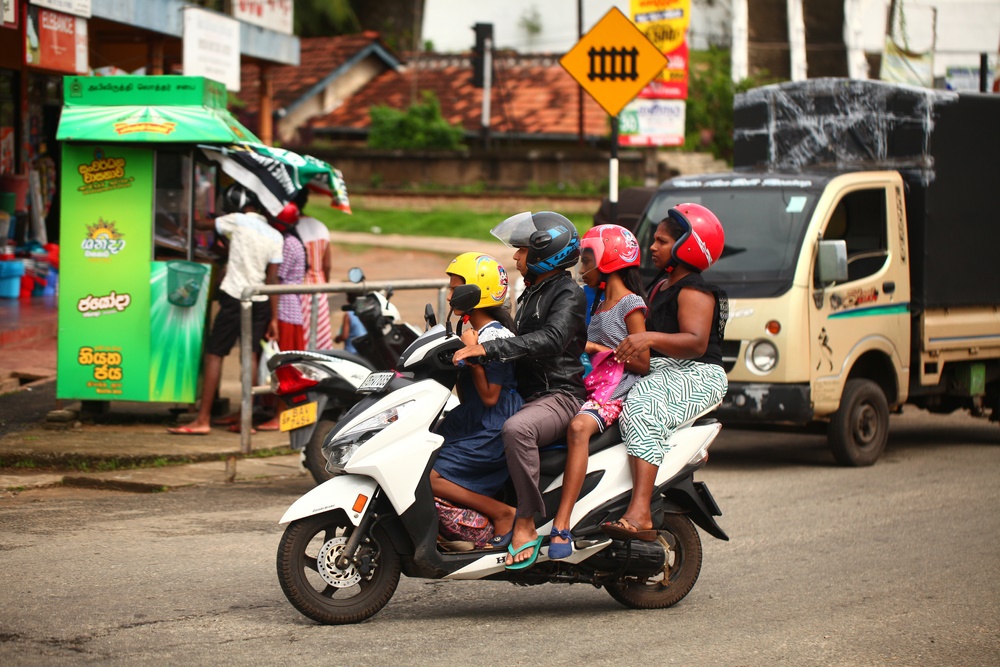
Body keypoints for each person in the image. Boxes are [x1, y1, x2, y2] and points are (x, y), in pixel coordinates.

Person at [453, 211, 587, 570]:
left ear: (547, 254)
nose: (515, 257)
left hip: (559, 394)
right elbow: (510, 334)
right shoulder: (531, 293)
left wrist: (487, 349)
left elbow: (553, 338)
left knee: (516, 429)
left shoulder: (568, 294)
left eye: (522, 251)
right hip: (529, 395)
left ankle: (524, 521)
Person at [602, 203, 729, 540]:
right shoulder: (662, 283)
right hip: (664, 369)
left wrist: (647, 337)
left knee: (643, 408)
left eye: (661, 241)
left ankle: (641, 511)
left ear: (688, 244)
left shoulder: (694, 289)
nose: (652, 247)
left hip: (696, 374)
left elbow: (696, 343)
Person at [548, 224, 649, 560]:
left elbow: (644, 360)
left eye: (588, 259)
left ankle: (561, 524)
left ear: (608, 258)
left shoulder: (629, 303)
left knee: (578, 427)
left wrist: (595, 347)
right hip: (593, 386)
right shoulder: (599, 302)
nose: (582, 267)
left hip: (617, 392)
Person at [167, 183, 283, 435]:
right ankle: (245, 420)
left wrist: (190, 210)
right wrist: (274, 317)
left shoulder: (237, 221)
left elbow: (202, 226)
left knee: (214, 355)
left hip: (235, 297)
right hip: (261, 300)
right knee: (249, 358)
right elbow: (273, 280)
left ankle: (203, 419)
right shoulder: (275, 235)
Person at [430, 252, 522, 548]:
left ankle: (502, 513)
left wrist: (474, 354)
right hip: (471, 416)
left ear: (474, 292)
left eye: (455, 287)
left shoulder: (497, 336)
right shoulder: (470, 332)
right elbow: (466, 391)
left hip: (492, 425)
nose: (449, 295)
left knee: (431, 476)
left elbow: (490, 395)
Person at [257, 205, 308, 432]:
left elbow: (275, 280)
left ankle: (280, 415)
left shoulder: (286, 244)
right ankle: (281, 412)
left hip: (285, 310)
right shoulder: (295, 241)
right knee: (288, 365)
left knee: (283, 367)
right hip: (292, 308)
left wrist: (274, 318)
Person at [294, 190, 335, 350]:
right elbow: (327, 265)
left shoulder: (291, 229)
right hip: (320, 285)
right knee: (319, 336)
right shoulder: (321, 226)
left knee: (302, 338)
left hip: (299, 288)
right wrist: (325, 283)